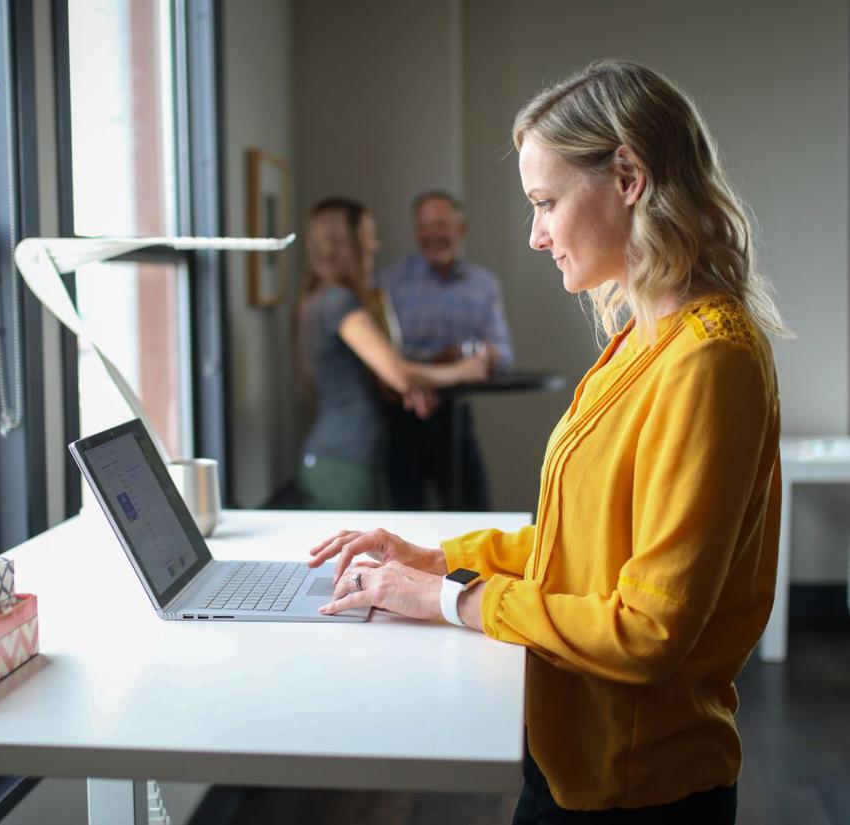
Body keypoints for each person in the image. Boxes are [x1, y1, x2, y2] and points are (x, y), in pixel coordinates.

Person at [308, 60, 788, 823]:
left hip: (639, 789)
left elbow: (647, 629)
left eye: (546, 202)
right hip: (570, 756)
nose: (535, 235)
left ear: (627, 175)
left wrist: (449, 599)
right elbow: (585, 548)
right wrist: (440, 559)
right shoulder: (642, 339)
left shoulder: (710, 360)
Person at [297, 197, 490, 511]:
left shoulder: (323, 298)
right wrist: (462, 371)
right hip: (344, 460)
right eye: (368, 235)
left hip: (338, 459)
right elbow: (398, 372)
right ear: (346, 242)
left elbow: (383, 375)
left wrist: (408, 388)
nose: (375, 245)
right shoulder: (339, 303)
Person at [376, 191, 514, 511]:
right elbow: (384, 357)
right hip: (402, 418)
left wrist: (480, 355)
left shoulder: (484, 284)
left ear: (460, 230)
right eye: (424, 227)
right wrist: (442, 365)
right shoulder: (388, 282)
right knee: (406, 522)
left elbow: (504, 354)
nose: (431, 235)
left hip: (455, 418)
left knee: (475, 515)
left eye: (440, 224)